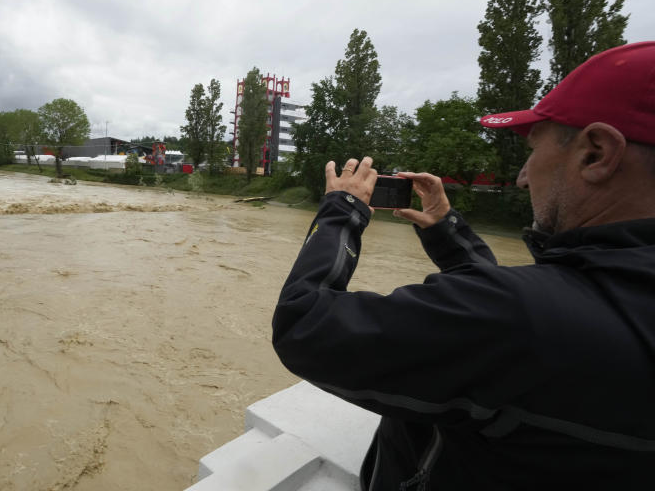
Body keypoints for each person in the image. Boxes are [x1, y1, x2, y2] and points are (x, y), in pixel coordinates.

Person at [272, 41, 655, 490]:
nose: (523, 175)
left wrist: (342, 211)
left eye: (534, 150)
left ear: (596, 153)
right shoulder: (607, 297)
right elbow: (533, 303)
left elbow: (304, 326)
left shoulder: (518, 319)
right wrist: (444, 230)